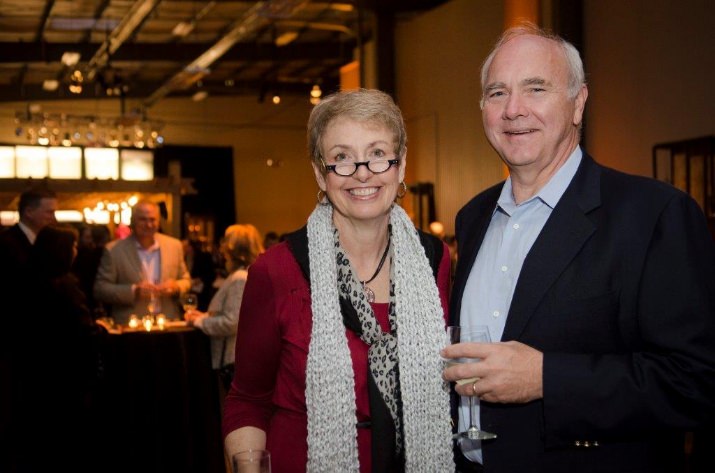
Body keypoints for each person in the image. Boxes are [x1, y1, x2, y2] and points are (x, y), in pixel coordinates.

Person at [441, 23, 715, 472]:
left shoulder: (654, 214)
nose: (513, 110)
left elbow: (696, 382)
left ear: (578, 103)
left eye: (536, 88)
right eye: (496, 93)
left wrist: (545, 378)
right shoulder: (473, 217)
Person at [223, 89, 455, 472]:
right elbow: (248, 400)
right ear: (320, 171)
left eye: (378, 153)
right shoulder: (276, 271)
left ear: (401, 165)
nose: (362, 172)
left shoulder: (435, 260)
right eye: (342, 158)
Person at [14, 225, 107, 472]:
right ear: (62, 251)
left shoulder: (26, 279)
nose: (76, 250)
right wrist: (101, 331)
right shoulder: (65, 286)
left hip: (33, 373)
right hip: (67, 377)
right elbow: (84, 333)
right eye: (73, 246)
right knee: (67, 439)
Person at [184, 224, 264, 391]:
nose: (221, 246)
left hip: (233, 360)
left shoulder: (240, 278)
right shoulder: (250, 273)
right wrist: (206, 316)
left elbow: (232, 323)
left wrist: (198, 322)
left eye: (224, 241)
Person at [93, 200, 191, 325]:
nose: (148, 224)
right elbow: (100, 289)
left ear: (159, 221)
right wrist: (134, 291)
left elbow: (186, 280)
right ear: (132, 221)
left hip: (168, 323)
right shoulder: (114, 250)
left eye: (152, 219)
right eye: (143, 220)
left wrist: (176, 287)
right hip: (131, 326)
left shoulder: (174, 245)